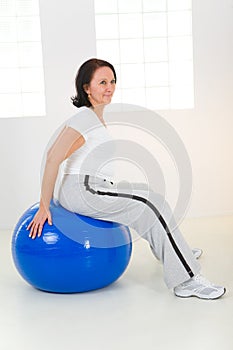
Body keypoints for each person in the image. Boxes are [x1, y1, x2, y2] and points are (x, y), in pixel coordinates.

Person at [27, 58, 226, 300]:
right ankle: (186, 280)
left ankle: (175, 251)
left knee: (150, 196)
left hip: (93, 187)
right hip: (83, 189)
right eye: (102, 82)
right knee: (151, 205)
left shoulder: (93, 118)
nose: (109, 86)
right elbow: (52, 157)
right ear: (86, 88)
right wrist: (44, 206)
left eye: (112, 81)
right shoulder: (83, 118)